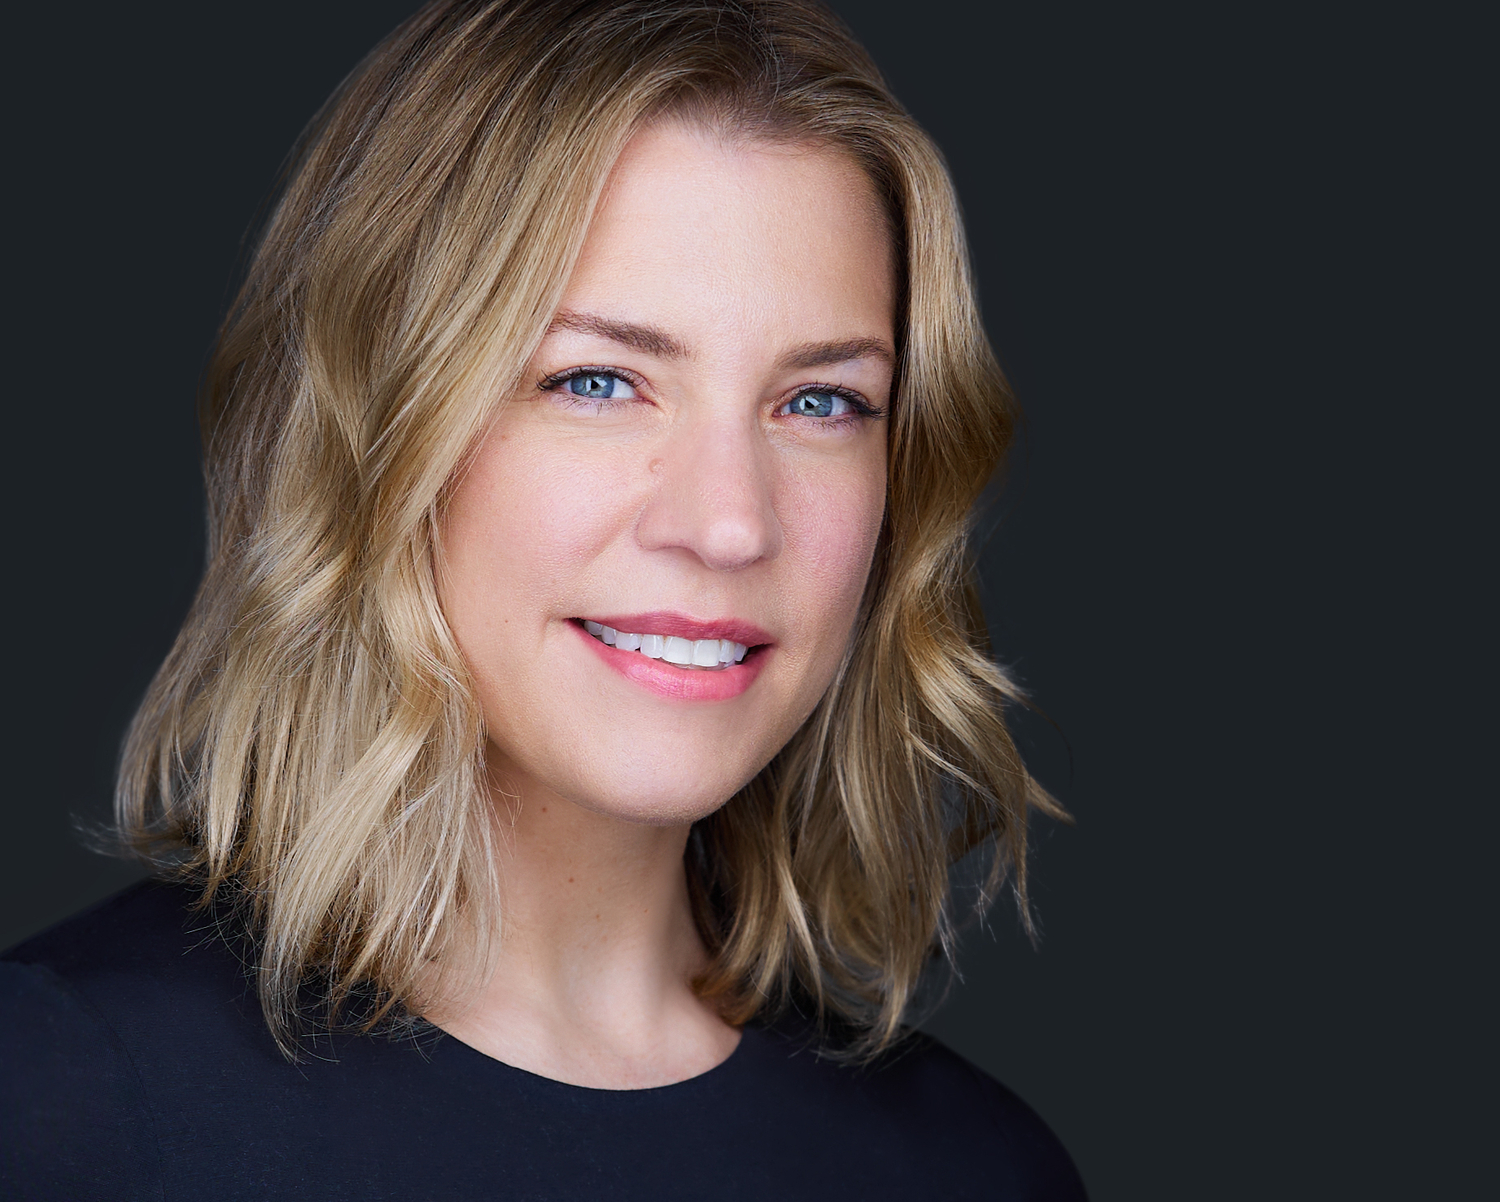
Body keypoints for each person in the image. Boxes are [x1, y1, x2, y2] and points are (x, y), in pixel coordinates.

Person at [0, 1, 1086, 1196]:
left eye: (820, 402)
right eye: (598, 380)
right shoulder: (59, 1099)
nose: (730, 521)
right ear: (383, 429)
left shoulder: (980, 1170)